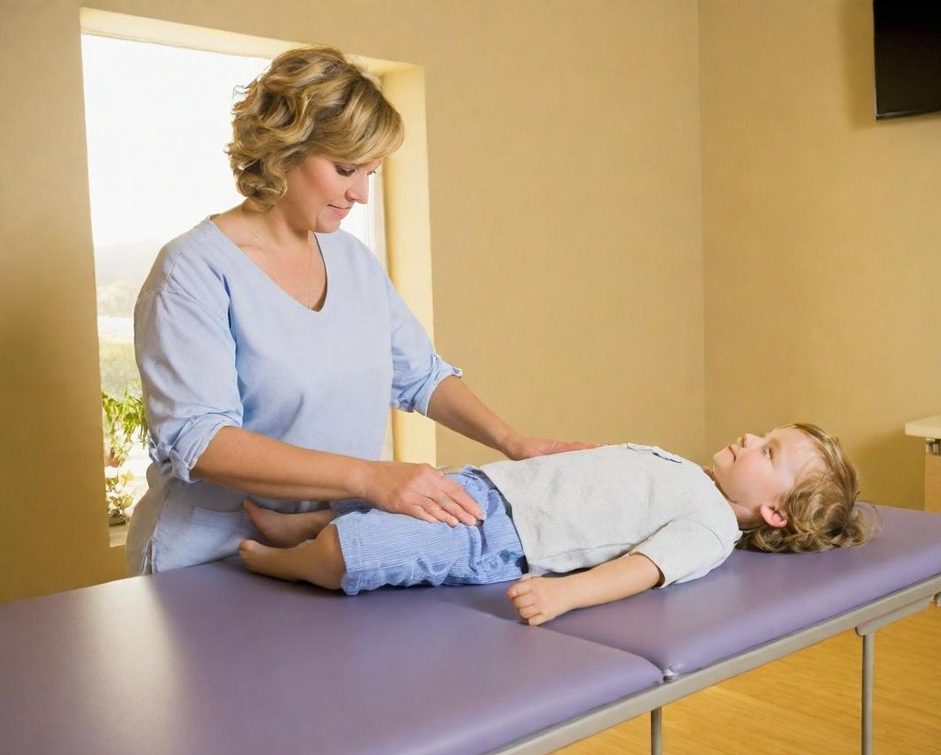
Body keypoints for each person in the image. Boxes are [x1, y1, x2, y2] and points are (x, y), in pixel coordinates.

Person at [127, 45, 588, 577]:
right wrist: (370, 479)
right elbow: (201, 441)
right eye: (346, 169)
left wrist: (513, 441)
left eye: (370, 171)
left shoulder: (351, 260)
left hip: (323, 544)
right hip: (208, 556)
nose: (361, 194)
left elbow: (421, 376)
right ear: (284, 150)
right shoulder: (194, 270)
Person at [237, 424, 872, 626]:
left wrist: (565, 595)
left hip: (499, 539)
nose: (750, 437)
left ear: (775, 513)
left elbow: (642, 570)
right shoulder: (691, 474)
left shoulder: (708, 527)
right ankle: (300, 527)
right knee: (388, 498)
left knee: (356, 551)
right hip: (492, 486)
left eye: (767, 452)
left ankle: (287, 561)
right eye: (763, 434)